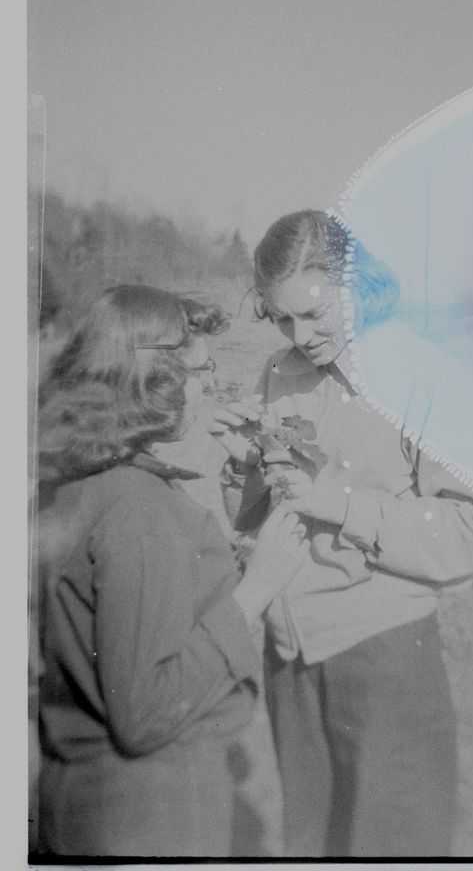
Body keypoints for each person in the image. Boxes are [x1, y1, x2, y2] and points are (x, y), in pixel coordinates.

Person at [212, 210, 473, 858]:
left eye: (316, 315)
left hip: (385, 659)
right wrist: (242, 466)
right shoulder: (279, 373)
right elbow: (255, 518)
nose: (300, 335)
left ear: (359, 287)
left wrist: (341, 505)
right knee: (314, 847)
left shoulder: (429, 380)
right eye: (282, 319)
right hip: (290, 659)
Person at [33, 285, 309, 858]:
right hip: (149, 812)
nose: (210, 386)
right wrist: (255, 590)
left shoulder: (76, 486)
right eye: (200, 370)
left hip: (86, 802)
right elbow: (147, 712)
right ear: (153, 381)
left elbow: (135, 605)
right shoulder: (140, 509)